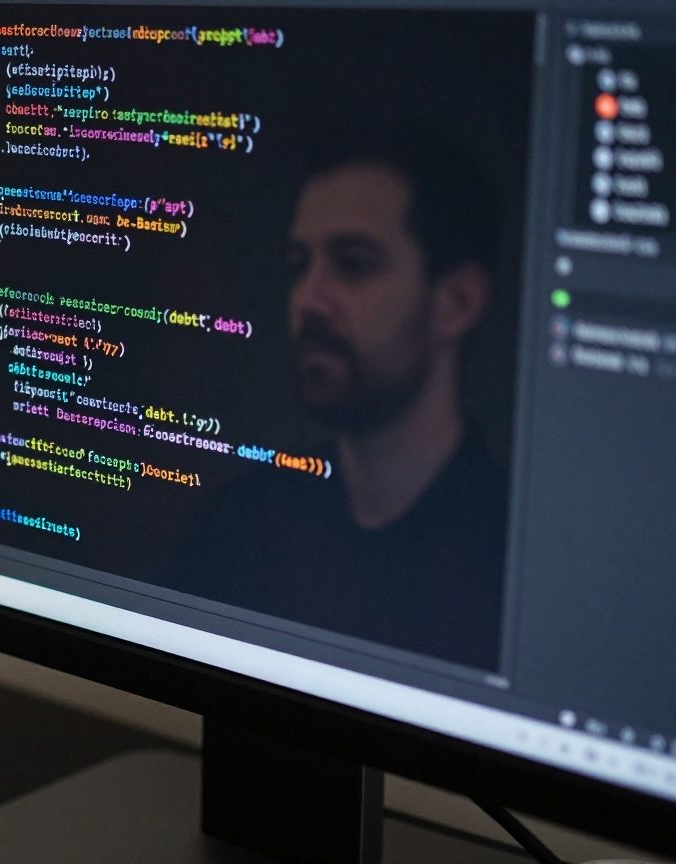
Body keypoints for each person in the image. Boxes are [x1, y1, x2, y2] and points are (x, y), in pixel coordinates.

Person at [172, 133, 510, 670]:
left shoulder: (513, 561)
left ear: (457, 303)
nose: (308, 300)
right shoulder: (240, 530)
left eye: (353, 264)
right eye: (299, 266)